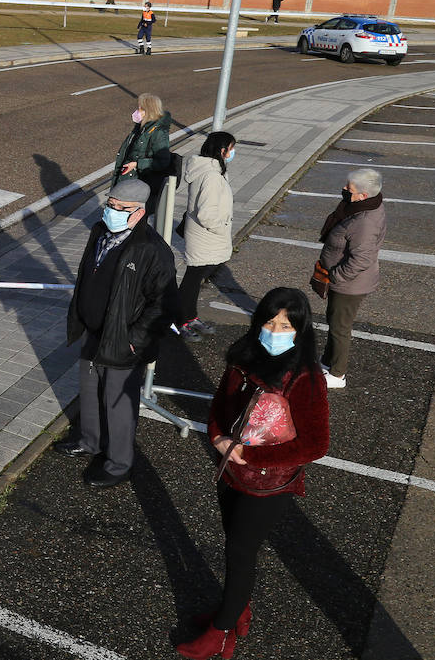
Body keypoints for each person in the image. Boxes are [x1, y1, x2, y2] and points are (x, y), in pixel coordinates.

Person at [177, 288, 329, 660]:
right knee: (234, 544)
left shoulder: (306, 377)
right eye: (269, 321)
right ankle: (237, 609)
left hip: (269, 484)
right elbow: (220, 403)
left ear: (300, 330)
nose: (276, 330)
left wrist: (253, 453)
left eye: (286, 324)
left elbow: (315, 444)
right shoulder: (243, 357)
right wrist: (216, 436)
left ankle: (222, 630)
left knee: (240, 552)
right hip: (231, 471)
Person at [56, 177, 175, 487]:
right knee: (90, 390)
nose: (110, 212)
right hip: (93, 331)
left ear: (138, 212)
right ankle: (90, 441)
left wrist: (134, 341)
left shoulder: (152, 250)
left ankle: (119, 463)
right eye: (108, 205)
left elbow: (163, 305)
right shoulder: (99, 232)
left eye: (118, 208)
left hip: (123, 340)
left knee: (117, 403)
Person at [315, 168, 385, 389]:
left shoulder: (364, 221)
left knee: (340, 327)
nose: (344, 190)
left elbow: (361, 259)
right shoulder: (366, 206)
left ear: (363, 195)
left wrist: (336, 276)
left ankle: (337, 374)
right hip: (348, 282)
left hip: (350, 284)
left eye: (349, 189)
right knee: (335, 322)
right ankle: (328, 362)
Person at [175, 132, 236, 342]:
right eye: (231, 148)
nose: (232, 153)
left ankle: (189, 317)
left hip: (204, 236)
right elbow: (206, 214)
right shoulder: (210, 175)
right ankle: (181, 321)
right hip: (206, 236)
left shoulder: (212, 171)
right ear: (222, 150)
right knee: (192, 280)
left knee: (195, 279)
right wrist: (223, 228)